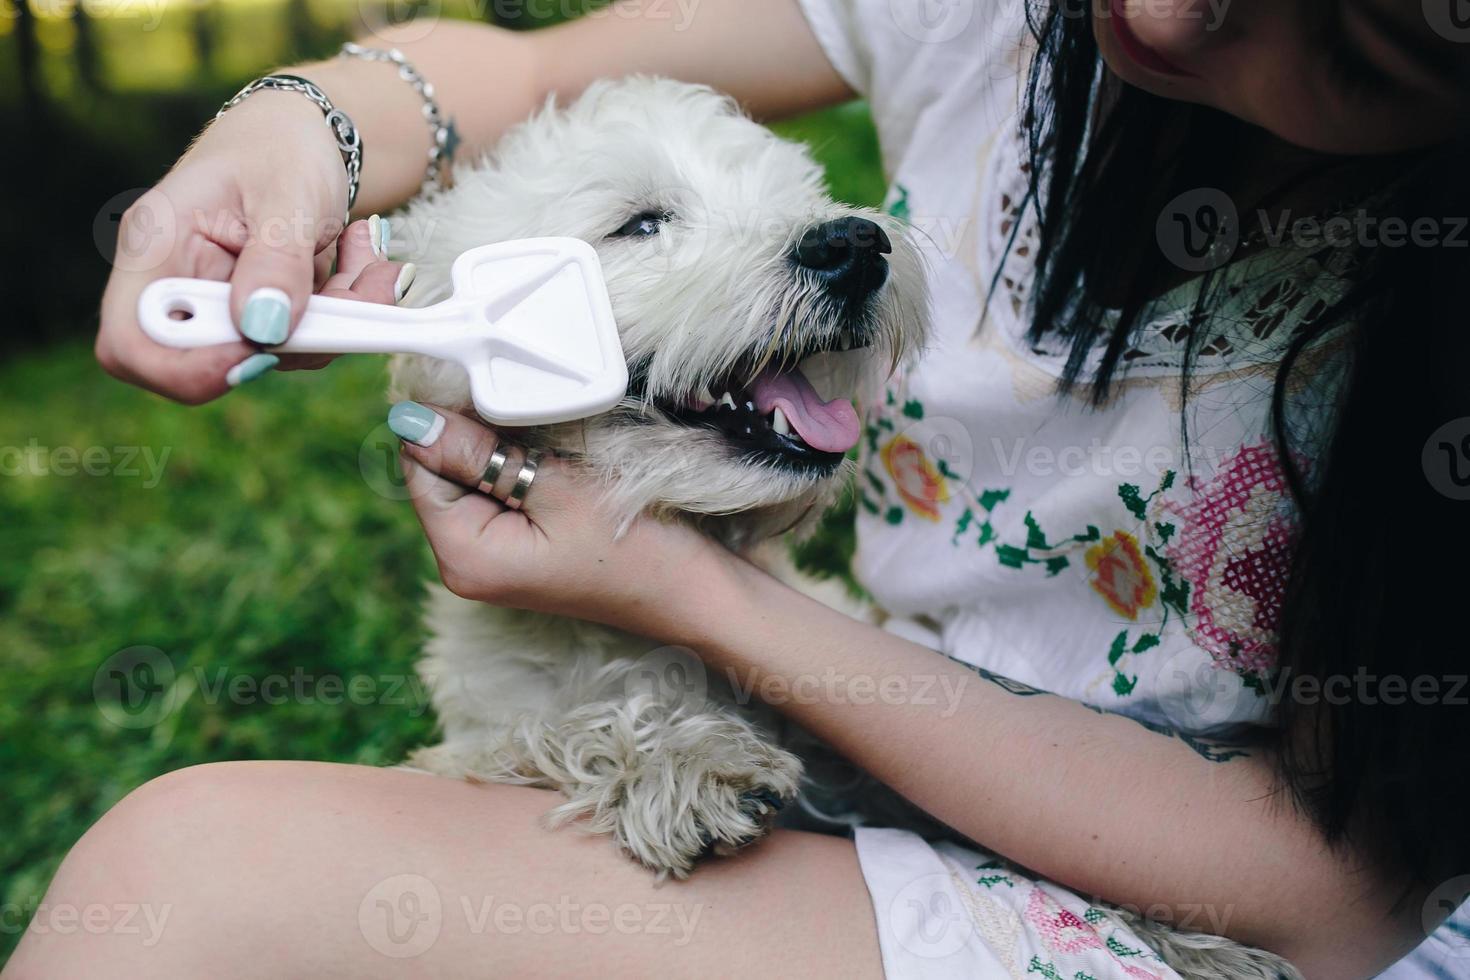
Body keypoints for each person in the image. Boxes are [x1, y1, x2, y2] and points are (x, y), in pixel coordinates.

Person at [11, 1, 1470, 977]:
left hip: (1231, 925)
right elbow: (519, 77)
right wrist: (293, 130)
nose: (1153, 18)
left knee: (195, 872)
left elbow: (1337, 904)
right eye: (646, 224)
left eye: (1342, 51)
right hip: (906, 767)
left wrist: (694, 595)